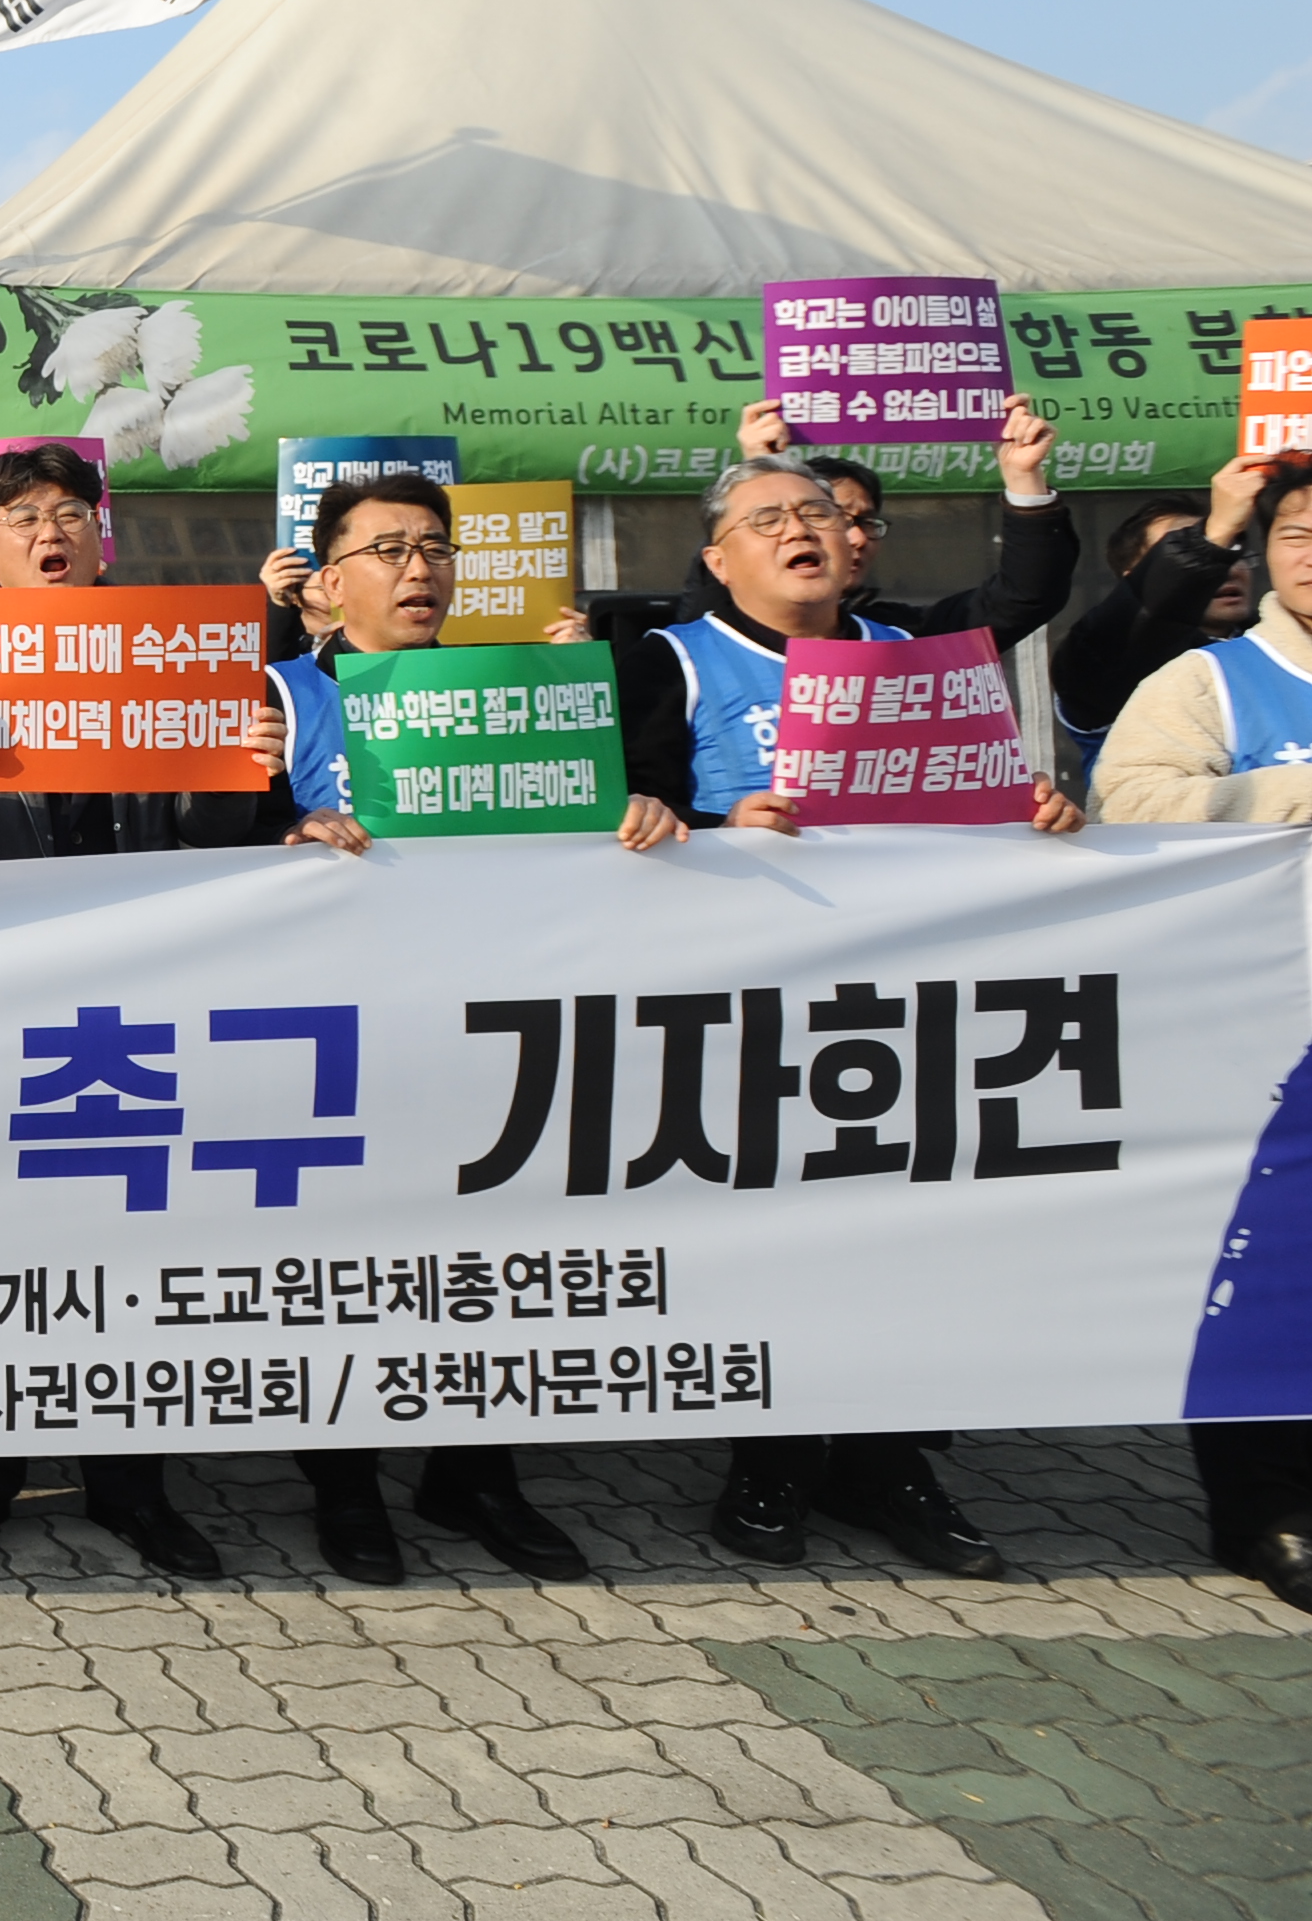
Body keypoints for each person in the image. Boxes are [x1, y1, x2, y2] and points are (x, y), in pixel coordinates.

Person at [617, 453, 1076, 1578]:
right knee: (776, 1234)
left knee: (903, 1232)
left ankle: (890, 1464)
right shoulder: (669, 659)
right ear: (719, 558)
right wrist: (712, 826)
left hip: (905, 1002)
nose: (801, 530)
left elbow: (1020, 611)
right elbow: (625, 808)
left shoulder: (910, 653)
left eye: (816, 513)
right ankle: (769, 1464)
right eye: (768, 518)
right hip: (746, 997)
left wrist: (1030, 813)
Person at [0, 439, 284, 1580]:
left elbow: (209, 833)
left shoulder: (176, 643)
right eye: (21, 519)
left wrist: (238, 772)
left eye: (67, 513)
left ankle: (130, 1484)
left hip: (138, 987)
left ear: (99, 533)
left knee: (130, 1238)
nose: (47, 533)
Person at [261, 470, 598, 1588]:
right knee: (345, 1266)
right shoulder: (277, 695)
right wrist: (283, 834)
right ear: (328, 578)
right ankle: (345, 1481)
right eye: (390, 550)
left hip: (485, 1021)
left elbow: (579, 830)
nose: (419, 570)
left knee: (483, 1262)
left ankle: (476, 1474)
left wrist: (636, 812)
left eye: (435, 549)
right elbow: (207, 846)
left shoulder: (512, 687)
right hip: (335, 1033)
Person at [1079, 452, 1312, 1618]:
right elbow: (1128, 807)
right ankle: (1266, 1510)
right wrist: (1286, 796)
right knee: (1269, 1282)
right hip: (1262, 1039)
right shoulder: (1209, 680)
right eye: (1297, 533)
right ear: (1262, 554)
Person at [681, 396, 1078, 646]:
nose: (855, 538)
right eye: (828, 516)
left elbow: (1024, 597)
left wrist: (1024, 477)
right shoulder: (693, 654)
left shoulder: (904, 639)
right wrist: (762, 473)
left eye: (866, 522)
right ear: (719, 563)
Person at [1051, 458, 1263, 787]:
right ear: (1133, 581)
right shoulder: (1104, 659)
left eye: (1233, 550)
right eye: (1185, 550)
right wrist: (1212, 537)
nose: (1226, 567)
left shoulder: (1281, 650)